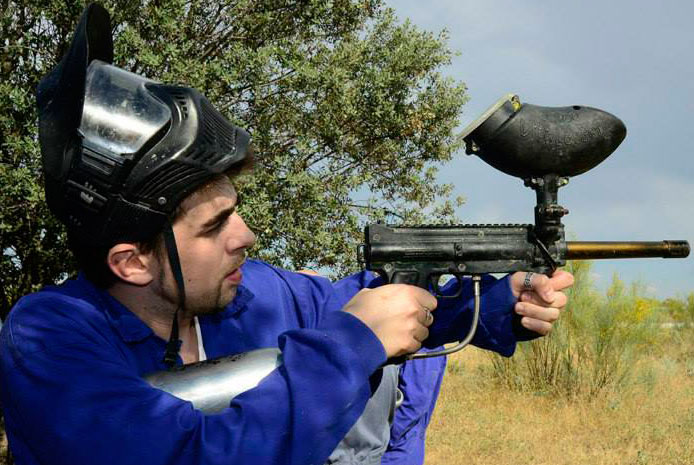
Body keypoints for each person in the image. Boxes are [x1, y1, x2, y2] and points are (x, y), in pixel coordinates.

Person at [0, 4, 573, 465]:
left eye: (236, 210)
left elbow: (385, 306)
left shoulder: (257, 293)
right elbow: (186, 453)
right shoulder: (48, 339)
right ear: (133, 263)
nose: (246, 236)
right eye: (215, 225)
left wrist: (501, 301)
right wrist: (350, 345)